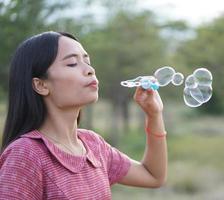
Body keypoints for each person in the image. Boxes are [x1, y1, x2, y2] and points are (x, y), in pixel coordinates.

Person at [0, 31, 167, 199]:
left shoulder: (93, 145)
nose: (90, 70)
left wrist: (154, 115)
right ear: (41, 85)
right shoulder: (26, 153)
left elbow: (152, 176)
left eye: (87, 61)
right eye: (72, 63)